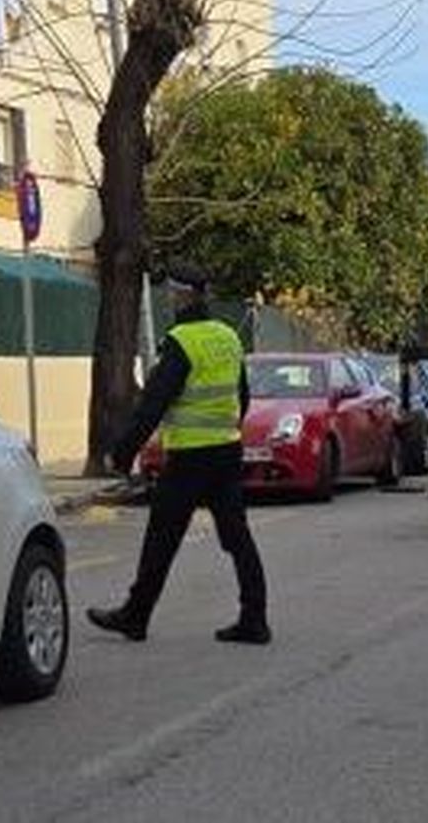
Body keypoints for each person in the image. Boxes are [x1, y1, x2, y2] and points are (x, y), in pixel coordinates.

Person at [88, 265, 270, 645]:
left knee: (161, 539)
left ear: (185, 296)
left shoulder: (181, 342)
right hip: (226, 452)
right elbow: (243, 397)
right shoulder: (228, 337)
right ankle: (255, 619)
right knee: (237, 537)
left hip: (189, 458)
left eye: (173, 293)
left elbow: (152, 404)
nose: (169, 298)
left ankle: (135, 617)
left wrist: (121, 456)